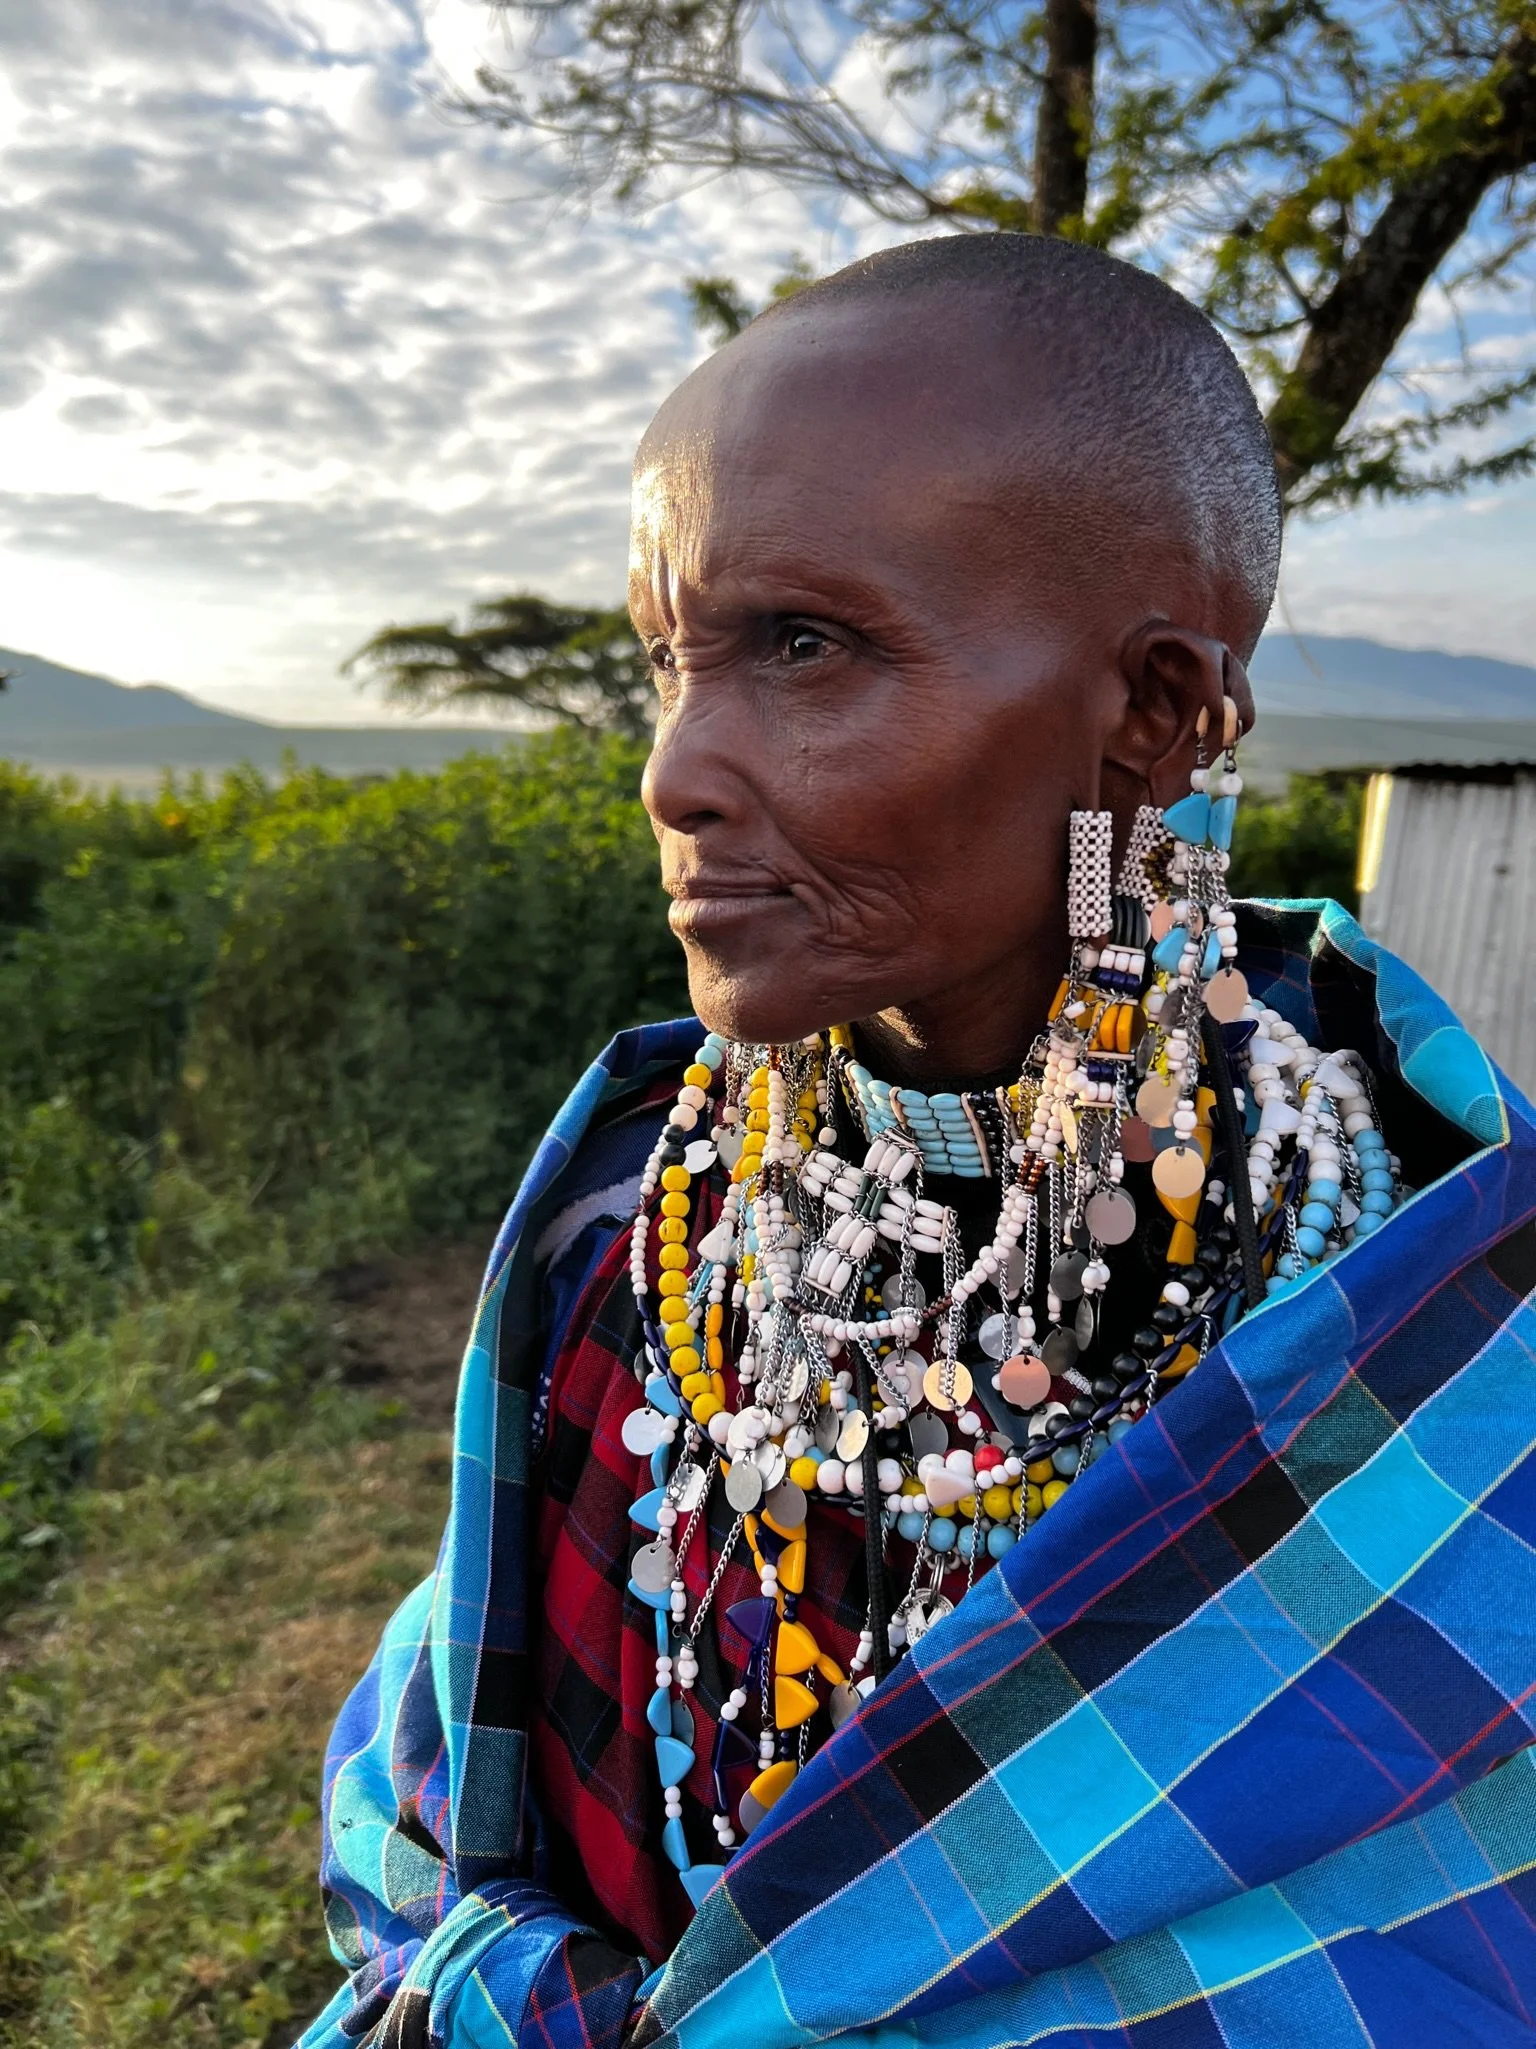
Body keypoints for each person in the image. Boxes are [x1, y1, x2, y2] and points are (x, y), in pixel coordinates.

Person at [295, 237, 1536, 2049]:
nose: (675, 772)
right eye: (669, 658)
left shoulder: (1435, 1340)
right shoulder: (628, 1234)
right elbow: (452, 1753)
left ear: (1159, 716)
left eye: (804, 645)